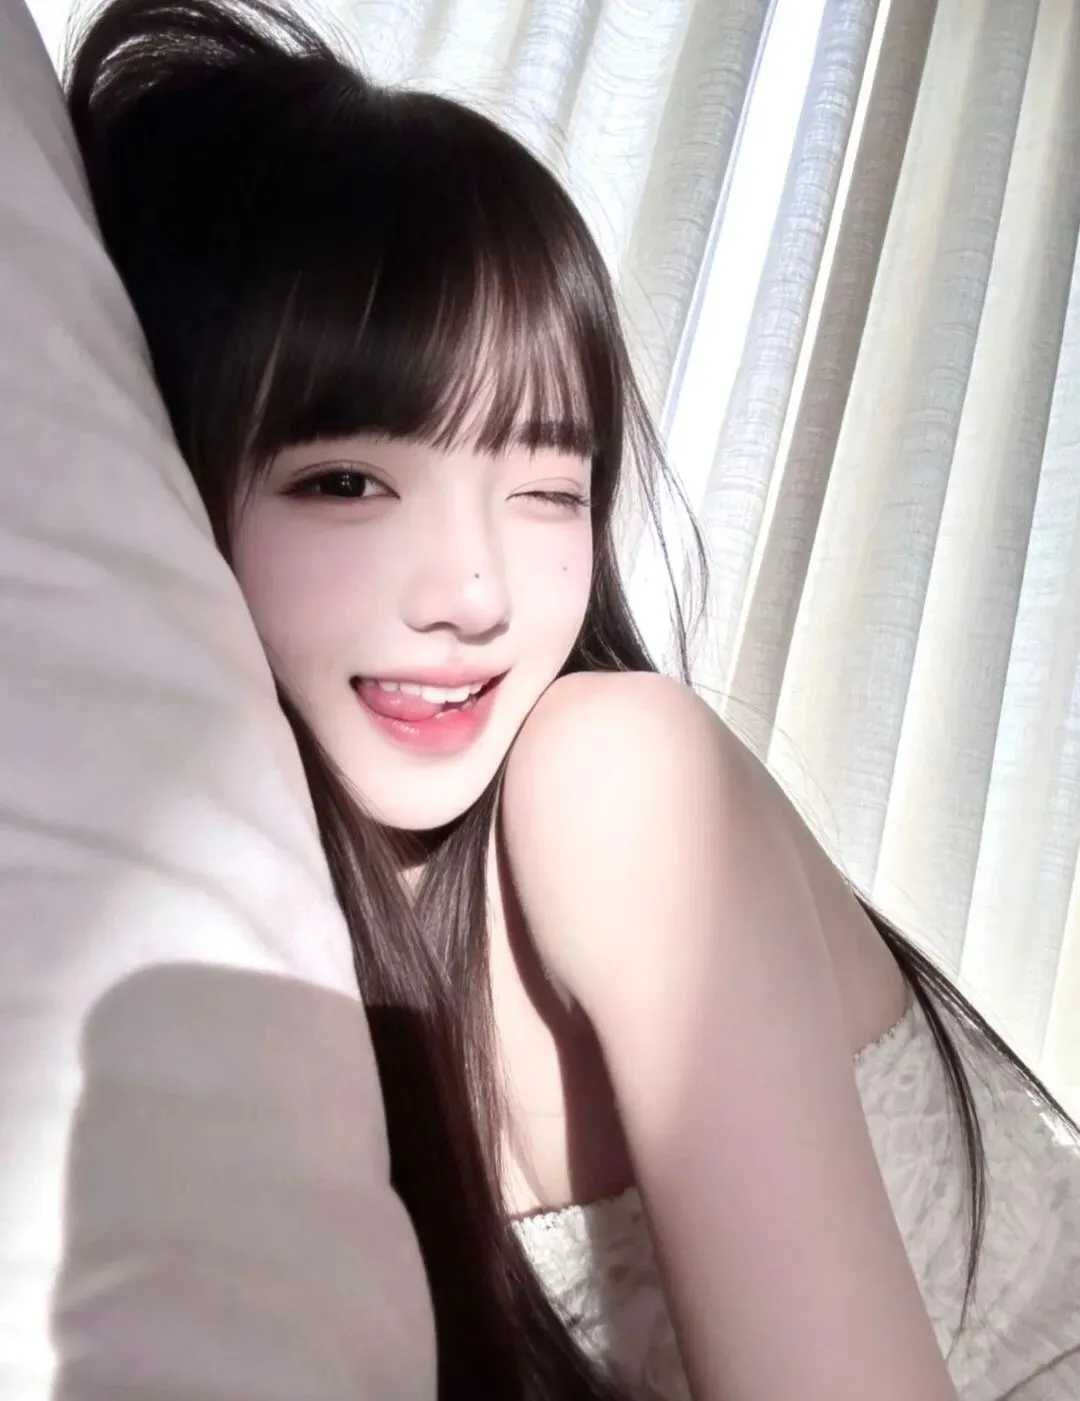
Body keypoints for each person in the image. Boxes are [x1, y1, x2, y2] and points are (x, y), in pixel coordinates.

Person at [64, 0, 1080, 1396]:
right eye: (349, 481)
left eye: (548, 487)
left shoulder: (615, 779)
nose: (475, 593)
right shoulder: (228, 947)